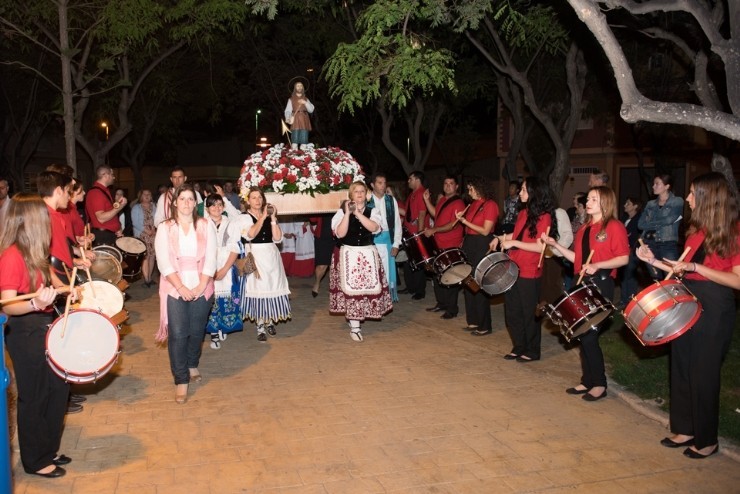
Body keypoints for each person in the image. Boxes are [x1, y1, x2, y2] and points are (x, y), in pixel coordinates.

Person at [636, 172, 739, 459]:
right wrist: (653, 261)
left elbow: (737, 280)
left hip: (715, 305)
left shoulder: (734, 231)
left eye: (693, 193)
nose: (689, 199)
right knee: (681, 366)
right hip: (687, 299)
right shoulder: (695, 232)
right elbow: (681, 268)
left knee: (703, 373)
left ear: (709, 198)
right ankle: (685, 429)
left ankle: (707, 440)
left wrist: (698, 270)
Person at [0, 193, 73, 478]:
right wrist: (34, 303)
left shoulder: (35, 250)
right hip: (24, 332)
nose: (47, 222)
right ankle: (35, 460)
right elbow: (7, 303)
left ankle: (48, 448)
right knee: (35, 395)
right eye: (43, 218)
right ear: (29, 220)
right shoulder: (11, 256)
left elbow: (50, 276)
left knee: (58, 390)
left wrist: (68, 288)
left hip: (43, 326)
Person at [543, 186, 629, 401]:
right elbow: (578, 260)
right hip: (582, 283)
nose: (587, 202)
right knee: (582, 335)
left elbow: (623, 258)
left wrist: (598, 265)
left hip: (601, 283)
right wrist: (555, 246)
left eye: (593, 199)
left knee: (589, 334)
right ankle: (588, 380)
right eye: (588, 198)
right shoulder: (583, 229)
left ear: (605, 203)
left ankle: (599, 384)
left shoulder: (614, 226)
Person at [154, 184, 216, 404]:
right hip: (174, 287)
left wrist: (201, 286)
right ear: (175, 202)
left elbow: (211, 257)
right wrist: (180, 287)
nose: (187, 203)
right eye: (183, 199)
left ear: (195, 203)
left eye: (191, 199)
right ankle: (181, 379)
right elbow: (163, 261)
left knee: (196, 332)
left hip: (202, 286)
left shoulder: (206, 225)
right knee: (178, 334)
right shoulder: (165, 227)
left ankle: (192, 364)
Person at [490, 177, 555, 361]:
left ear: (535, 192)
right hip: (513, 268)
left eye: (524, 189)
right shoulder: (524, 213)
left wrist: (514, 242)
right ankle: (519, 346)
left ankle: (532, 350)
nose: (520, 193)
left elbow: (539, 246)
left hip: (529, 271)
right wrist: (501, 238)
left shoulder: (545, 216)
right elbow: (517, 234)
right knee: (512, 312)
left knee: (529, 314)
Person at [329, 181, 393, 341]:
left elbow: (374, 228)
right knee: (352, 291)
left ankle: (356, 319)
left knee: (365, 289)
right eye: (356, 191)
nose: (359, 194)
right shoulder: (341, 213)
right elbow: (340, 234)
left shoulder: (373, 211)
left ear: (366, 194)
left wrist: (357, 213)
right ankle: (355, 326)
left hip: (366, 254)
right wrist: (348, 213)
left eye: (362, 191)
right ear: (351, 195)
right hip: (347, 254)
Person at [240, 187, 291, 341]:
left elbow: (277, 238)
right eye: (254, 198)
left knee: (272, 285)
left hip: (271, 255)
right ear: (248, 201)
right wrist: (262, 217)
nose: (257, 200)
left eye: (259, 197)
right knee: (259, 288)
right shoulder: (244, 217)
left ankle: (269, 320)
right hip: (255, 254)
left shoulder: (269, 217)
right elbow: (251, 234)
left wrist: (273, 218)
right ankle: (260, 324)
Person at [457, 176, 498, 335]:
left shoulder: (490, 204)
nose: (469, 191)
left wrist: (464, 222)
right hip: (470, 243)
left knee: (479, 284)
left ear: (479, 187)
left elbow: (485, 230)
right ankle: (473, 321)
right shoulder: (473, 204)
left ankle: (484, 325)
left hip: (482, 243)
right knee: (468, 282)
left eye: (471, 188)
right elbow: (469, 229)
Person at [422, 175, 465, 319]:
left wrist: (434, 230)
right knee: (438, 275)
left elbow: (453, 224)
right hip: (439, 243)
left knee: (450, 277)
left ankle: (452, 309)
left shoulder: (458, 203)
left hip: (451, 244)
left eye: (451, 183)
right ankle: (441, 303)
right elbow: (436, 214)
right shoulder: (442, 200)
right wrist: (427, 200)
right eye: (445, 183)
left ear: (457, 186)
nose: (448, 186)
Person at [204, 194, 243, 349]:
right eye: (213, 205)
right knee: (211, 300)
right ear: (207, 208)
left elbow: (235, 248)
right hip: (208, 266)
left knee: (226, 299)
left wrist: (225, 269)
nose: (217, 208)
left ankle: (223, 327)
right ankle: (213, 333)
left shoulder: (231, 223)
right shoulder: (202, 224)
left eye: (220, 204)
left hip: (227, 265)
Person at [638, 173, 684, 280]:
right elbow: (640, 224)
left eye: (657, 184)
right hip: (649, 242)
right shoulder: (650, 204)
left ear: (667, 186)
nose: (653, 186)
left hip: (667, 243)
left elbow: (670, 219)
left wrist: (650, 223)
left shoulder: (677, 201)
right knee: (655, 276)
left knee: (672, 276)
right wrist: (660, 222)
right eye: (654, 184)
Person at [368, 173, 402, 302]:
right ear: (372, 185)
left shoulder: (390, 200)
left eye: (384, 183)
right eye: (379, 183)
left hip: (387, 239)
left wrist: (396, 244)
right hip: (371, 241)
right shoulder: (367, 199)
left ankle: (385, 298)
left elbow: (397, 223)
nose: (383, 186)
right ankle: (372, 297)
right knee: (372, 270)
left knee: (386, 271)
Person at [400, 171, 430, 300]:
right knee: (409, 262)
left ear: (417, 180)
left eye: (410, 179)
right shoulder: (412, 194)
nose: (408, 181)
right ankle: (411, 286)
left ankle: (419, 290)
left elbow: (422, 214)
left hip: (416, 234)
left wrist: (419, 234)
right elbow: (407, 214)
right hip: (409, 233)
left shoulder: (421, 193)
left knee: (418, 263)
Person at [85, 165, 125, 246]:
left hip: (109, 236)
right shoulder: (96, 193)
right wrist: (120, 206)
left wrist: (118, 228)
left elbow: (110, 214)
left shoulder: (103, 191)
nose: (113, 177)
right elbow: (101, 218)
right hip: (103, 238)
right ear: (105, 175)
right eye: (112, 174)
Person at [131, 189, 158, 286]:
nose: (147, 196)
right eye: (144, 194)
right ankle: (146, 279)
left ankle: (150, 277)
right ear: (140, 196)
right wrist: (147, 231)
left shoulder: (154, 206)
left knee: (152, 256)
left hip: (153, 235)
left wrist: (155, 229)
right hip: (142, 235)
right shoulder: (136, 208)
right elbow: (135, 222)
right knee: (145, 257)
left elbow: (158, 219)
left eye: (149, 194)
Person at [620, 197, 643, 307]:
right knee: (624, 276)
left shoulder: (639, 220)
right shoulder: (625, 219)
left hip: (632, 252)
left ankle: (630, 301)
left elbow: (636, 237)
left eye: (628, 203)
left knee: (630, 276)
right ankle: (624, 300)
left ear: (635, 206)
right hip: (623, 252)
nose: (625, 205)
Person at [284, 78, 314, 150]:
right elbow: (288, 110)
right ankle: (294, 156)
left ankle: (304, 156)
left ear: (303, 88)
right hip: (295, 119)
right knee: (295, 140)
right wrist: (288, 117)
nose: (299, 87)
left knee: (304, 139)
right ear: (295, 88)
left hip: (304, 119)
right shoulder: (291, 99)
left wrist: (305, 103)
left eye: (301, 86)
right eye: (298, 86)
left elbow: (311, 110)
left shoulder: (306, 99)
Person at [309, 214, 335, 297]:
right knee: (322, 265)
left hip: (338, 235)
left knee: (335, 265)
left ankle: (333, 286)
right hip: (323, 236)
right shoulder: (321, 202)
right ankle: (317, 283)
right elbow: (313, 220)